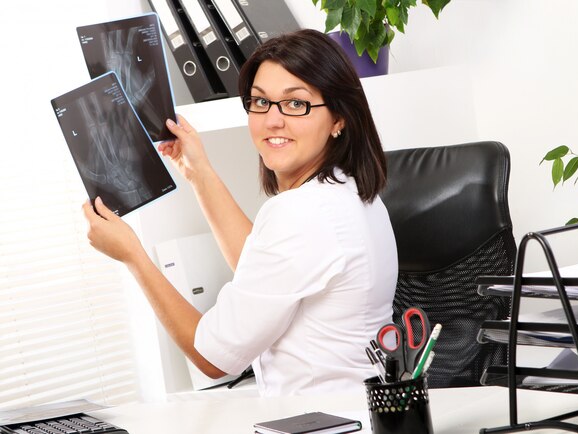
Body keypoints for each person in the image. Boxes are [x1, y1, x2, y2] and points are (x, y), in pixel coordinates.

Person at [82, 29, 398, 396]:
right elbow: (263, 268)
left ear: (339, 118)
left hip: (323, 420)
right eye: (260, 102)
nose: (272, 120)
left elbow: (214, 358)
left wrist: (133, 255)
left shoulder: (301, 213)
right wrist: (197, 171)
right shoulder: (351, 192)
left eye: (296, 104)